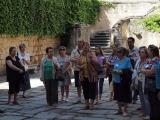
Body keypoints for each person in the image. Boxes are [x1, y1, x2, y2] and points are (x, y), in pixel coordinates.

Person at [141, 45, 160, 120]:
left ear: (152, 52)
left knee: (155, 102)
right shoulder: (149, 60)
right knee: (151, 101)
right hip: (148, 83)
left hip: (155, 84)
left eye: (148, 50)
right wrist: (146, 71)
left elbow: (151, 72)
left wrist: (145, 71)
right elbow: (142, 68)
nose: (147, 52)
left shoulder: (156, 60)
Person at [112, 47, 132, 116]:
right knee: (117, 96)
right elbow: (115, 68)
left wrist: (121, 71)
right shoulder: (117, 60)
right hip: (116, 80)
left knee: (124, 96)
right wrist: (115, 71)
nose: (118, 53)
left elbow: (129, 69)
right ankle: (119, 109)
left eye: (119, 52)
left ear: (123, 53)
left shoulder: (127, 60)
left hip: (124, 81)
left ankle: (125, 110)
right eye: (117, 52)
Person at [78, 43, 99, 109]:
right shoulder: (81, 55)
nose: (85, 47)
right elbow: (77, 64)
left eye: (87, 46)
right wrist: (80, 66)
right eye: (84, 46)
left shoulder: (92, 54)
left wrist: (90, 59)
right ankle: (87, 104)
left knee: (92, 89)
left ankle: (92, 104)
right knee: (85, 90)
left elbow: (96, 63)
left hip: (92, 75)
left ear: (89, 47)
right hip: (83, 75)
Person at [134, 46, 150, 119]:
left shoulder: (149, 61)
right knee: (141, 98)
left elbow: (149, 72)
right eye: (140, 52)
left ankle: (148, 114)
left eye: (142, 52)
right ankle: (144, 112)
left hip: (146, 82)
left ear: (146, 54)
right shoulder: (138, 61)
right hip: (139, 81)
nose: (140, 53)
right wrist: (133, 81)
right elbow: (135, 71)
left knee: (146, 98)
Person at [127, 37, 139, 104]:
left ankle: (134, 98)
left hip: (135, 69)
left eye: (130, 42)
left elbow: (137, 59)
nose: (129, 43)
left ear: (133, 42)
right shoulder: (128, 50)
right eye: (128, 42)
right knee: (130, 83)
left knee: (135, 83)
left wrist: (131, 59)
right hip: (129, 69)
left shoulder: (136, 49)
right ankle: (130, 98)